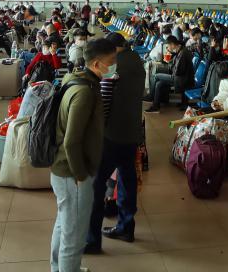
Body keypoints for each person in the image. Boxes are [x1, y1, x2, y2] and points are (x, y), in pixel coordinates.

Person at [50, 38, 117, 272]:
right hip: (73, 173)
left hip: (64, 170)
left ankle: (60, 268)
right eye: (111, 61)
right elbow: (71, 141)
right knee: (75, 236)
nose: (114, 66)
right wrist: (80, 175)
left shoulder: (76, 79)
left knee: (65, 224)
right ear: (97, 64)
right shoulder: (85, 92)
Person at [86, 33, 145, 252]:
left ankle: (91, 240)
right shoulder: (137, 60)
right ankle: (126, 227)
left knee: (96, 185)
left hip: (111, 136)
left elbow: (105, 101)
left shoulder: (113, 64)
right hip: (131, 133)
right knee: (127, 180)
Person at [145, 36, 193, 113]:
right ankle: (156, 106)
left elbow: (177, 71)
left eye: (168, 46)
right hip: (179, 77)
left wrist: (170, 63)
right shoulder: (180, 51)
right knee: (159, 84)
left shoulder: (183, 53)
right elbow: (174, 66)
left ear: (172, 44)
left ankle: (151, 96)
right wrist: (170, 57)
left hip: (181, 79)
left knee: (156, 76)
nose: (167, 48)